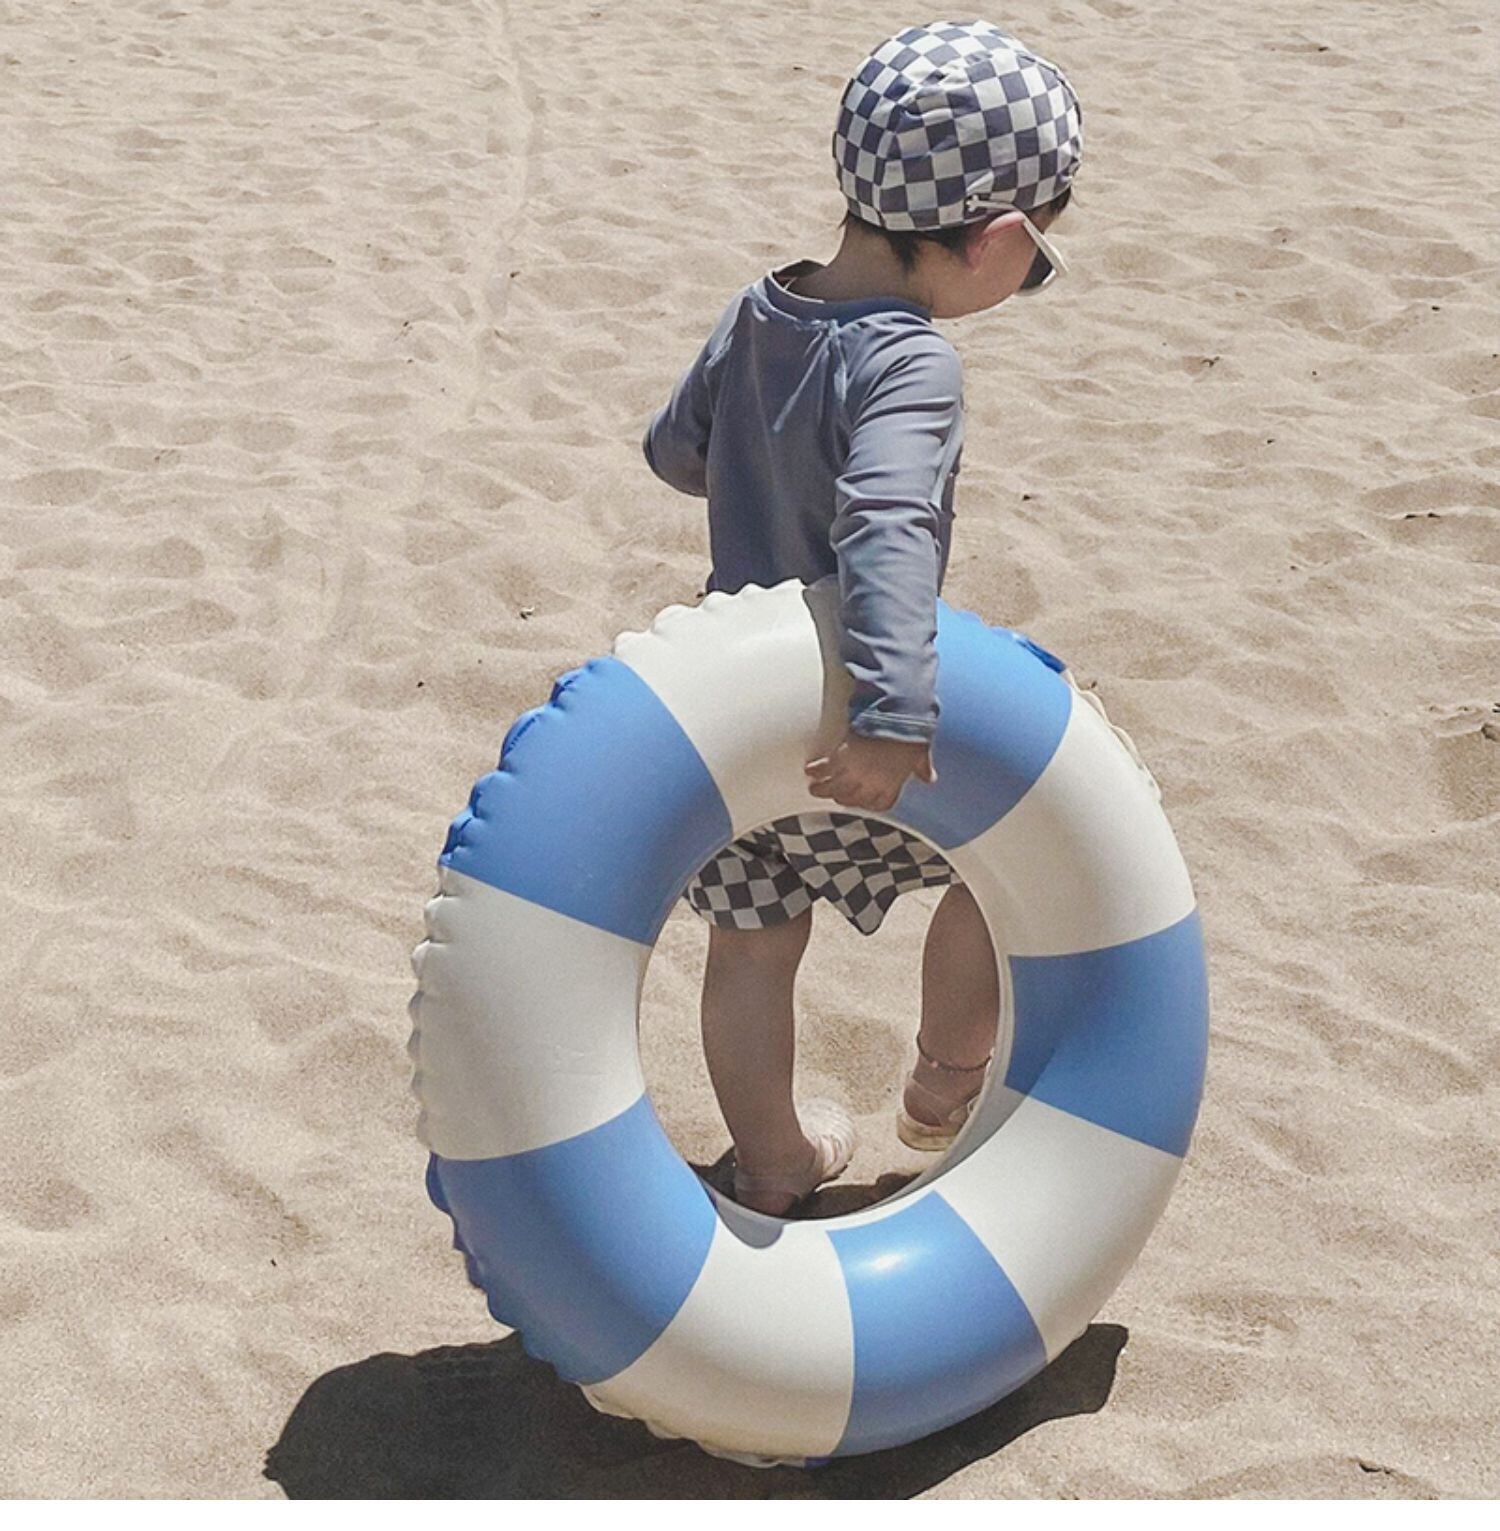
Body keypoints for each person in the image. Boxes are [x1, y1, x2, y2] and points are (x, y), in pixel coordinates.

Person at [641, 19, 1083, 1215]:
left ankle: (773, 1158)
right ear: (996, 241)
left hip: (732, 703)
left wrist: (763, 459)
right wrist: (890, 714)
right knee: (1017, 860)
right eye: (1042, 252)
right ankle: (943, 1082)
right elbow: (885, 529)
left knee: (753, 942)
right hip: (841, 716)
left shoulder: (761, 307)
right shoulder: (910, 363)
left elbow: (675, 451)